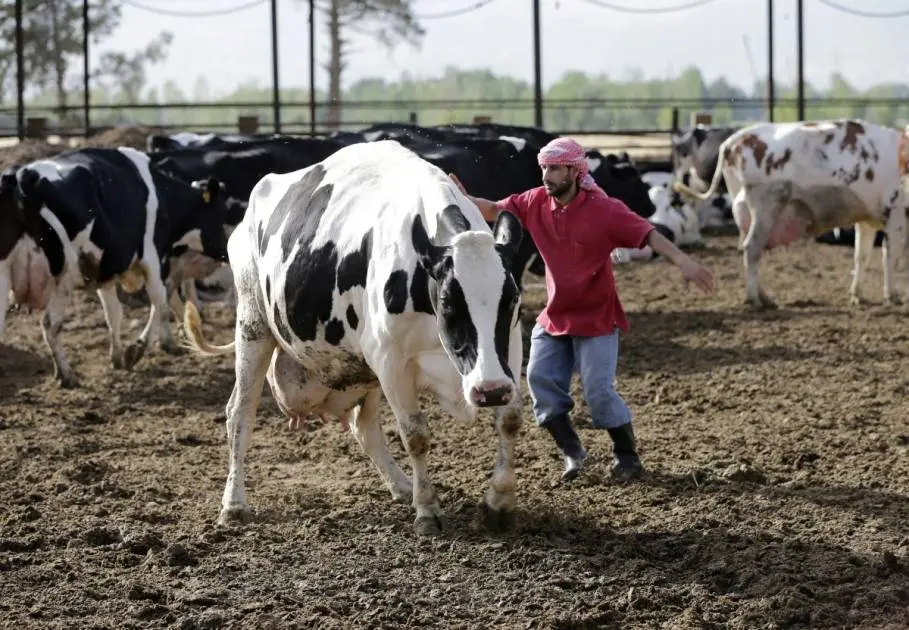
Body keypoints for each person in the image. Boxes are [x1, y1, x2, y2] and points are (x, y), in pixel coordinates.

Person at [449, 137, 715, 483]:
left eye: (555, 168)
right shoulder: (534, 202)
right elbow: (495, 209)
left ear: (575, 171)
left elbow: (647, 233)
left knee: (598, 391)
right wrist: (464, 199)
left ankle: (626, 456)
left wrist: (684, 261)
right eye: (544, 167)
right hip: (556, 315)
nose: (547, 175)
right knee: (540, 381)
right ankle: (574, 454)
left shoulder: (604, 210)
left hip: (597, 317)